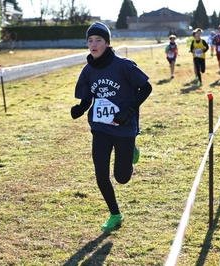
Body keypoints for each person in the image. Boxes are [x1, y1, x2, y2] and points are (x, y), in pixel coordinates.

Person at [70, 21, 152, 231]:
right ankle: (115, 214)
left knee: (122, 178)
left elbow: (146, 87)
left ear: (107, 43)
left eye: (98, 40)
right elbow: (88, 97)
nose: (94, 44)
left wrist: (129, 111)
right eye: (90, 40)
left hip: (124, 126)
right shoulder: (88, 71)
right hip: (100, 127)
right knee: (100, 174)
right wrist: (81, 108)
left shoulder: (123, 66)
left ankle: (132, 150)